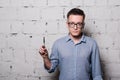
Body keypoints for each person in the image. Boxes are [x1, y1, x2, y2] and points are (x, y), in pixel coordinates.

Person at [39, 8, 103, 80]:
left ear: (83, 25)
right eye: (72, 23)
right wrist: (45, 58)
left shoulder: (92, 44)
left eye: (79, 24)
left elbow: (97, 75)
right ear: (67, 24)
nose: (75, 27)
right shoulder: (58, 44)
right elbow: (51, 68)